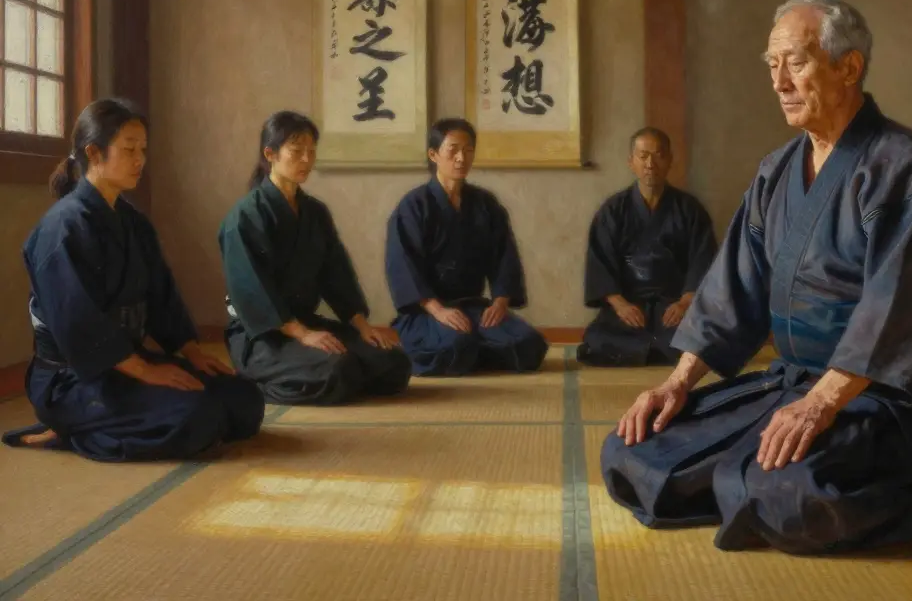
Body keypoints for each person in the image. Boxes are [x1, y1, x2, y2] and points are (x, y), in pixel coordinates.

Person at [599, 0, 912, 557]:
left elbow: (897, 310)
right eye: (771, 65)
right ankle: (750, 477)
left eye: (795, 63)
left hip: (880, 398)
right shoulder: (777, 170)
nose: (779, 82)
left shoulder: (906, 168)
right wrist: (677, 384)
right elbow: (733, 289)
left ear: (848, 67)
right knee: (632, 449)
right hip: (794, 384)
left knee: (787, 491)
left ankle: (905, 480)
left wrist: (823, 402)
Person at [0, 99, 265, 461]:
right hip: (74, 379)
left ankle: (114, 420)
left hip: (125, 363)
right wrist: (145, 371)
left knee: (244, 401)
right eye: (129, 149)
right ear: (94, 152)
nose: (140, 159)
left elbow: (161, 295)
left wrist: (190, 352)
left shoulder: (133, 222)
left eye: (143, 149)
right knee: (197, 416)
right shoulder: (62, 230)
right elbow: (77, 323)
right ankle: (70, 433)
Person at [218, 111, 411, 405]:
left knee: (393, 363)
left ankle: (330, 376)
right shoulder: (246, 216)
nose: (307, 160)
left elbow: (337, 274)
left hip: (306, 323)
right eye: (297, 152)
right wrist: (301, 334)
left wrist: (362, 327)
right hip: (263, 334)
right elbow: (251, 290)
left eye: (311, 152)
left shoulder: (315, 213)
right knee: (337, 369)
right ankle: (255, 384)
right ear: (270, 154)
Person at [385, 118, 549, 376]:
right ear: (434, 154)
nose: (461, 158)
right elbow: (404, 266)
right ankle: (466, 347)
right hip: (427, 311)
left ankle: (474, 347)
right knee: (455, 346)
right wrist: (438, 310)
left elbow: (504, 256)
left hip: (473, 307)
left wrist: (499, 303)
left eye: (468, 150)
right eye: (453, 150)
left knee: (529, 345)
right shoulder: (413, 206)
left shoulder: (485, 203)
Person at [577, 128, 718, 367]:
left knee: (706, 339)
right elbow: (600, 261)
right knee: (597, 341)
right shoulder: (613, 211)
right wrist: (620, 305)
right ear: (631, 162)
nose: (650, 164)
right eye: (643, 156)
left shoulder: (690, 210)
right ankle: (657, 351)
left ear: (669, 160)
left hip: (672, 304)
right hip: (630, 306)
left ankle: (645, 351)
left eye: (658, 155)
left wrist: (684, 303)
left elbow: (702, 260)